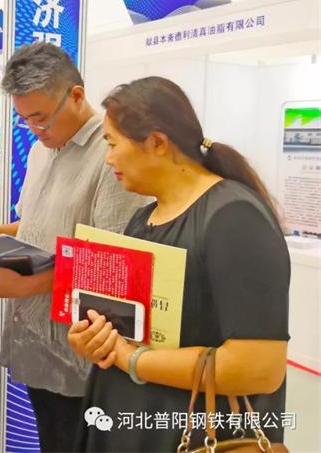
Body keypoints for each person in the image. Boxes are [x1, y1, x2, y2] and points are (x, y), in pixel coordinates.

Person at [69, 76, 289, 451]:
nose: (108, 158)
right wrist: (96, 340)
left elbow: (259, 367)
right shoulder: (143, 219)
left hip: (193, 433)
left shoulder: (234, 218)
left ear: (157, 143)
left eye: (113, 144)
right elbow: (132, 327)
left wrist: (131, 359)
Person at [0, 42, 148, 452]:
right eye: (25, 119)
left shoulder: (110, 157)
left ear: (76, 95)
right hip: (35, 341)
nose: (34, 129)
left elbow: (118, 263)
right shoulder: (42, 150)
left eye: (41, 118)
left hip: (81, 354)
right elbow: (39, 221)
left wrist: (27, 284)